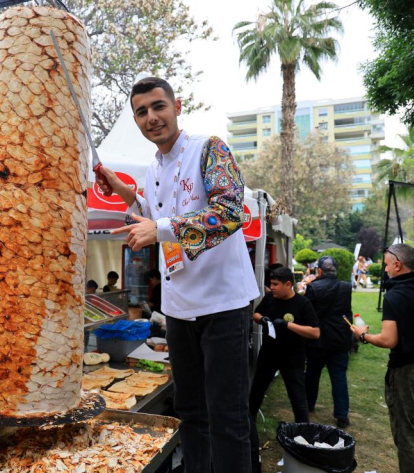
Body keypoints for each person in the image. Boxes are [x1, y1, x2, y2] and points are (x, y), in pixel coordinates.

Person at [96, 76, 259, 473]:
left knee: (227, 416)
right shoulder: (153, 167)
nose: (151, 117)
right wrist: (122, 190)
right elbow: (155, 214)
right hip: (179, 310)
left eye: (158, 106)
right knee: (190, 412)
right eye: (141, 112)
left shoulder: (209, 148)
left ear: (177, 106)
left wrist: (162, 229)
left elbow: (232, 212)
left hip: (223, 304)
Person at [351, 244, 414, 472]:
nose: (385, 269)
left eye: (387, 265)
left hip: (407, 372)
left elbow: (389, 340)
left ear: (397, 265)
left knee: (408, 432)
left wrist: (363, 335)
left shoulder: (395, 295)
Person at [249, 267, 320, 472]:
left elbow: (315, 332)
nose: (271, 288)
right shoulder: (270, 298)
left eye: (275, 284)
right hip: (268, 355)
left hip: (292, 358)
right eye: (271, 284)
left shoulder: (302, 303)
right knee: (256, 392)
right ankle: (248, 429)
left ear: (288, 284)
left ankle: (303, 438)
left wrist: (288, 326)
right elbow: (256, 313)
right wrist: (261, 319)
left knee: (297, 397)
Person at [304, 256, 353, 429]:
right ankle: (342, 416)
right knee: (339, 377)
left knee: (312, 373)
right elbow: (347, 312)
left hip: (317, 337)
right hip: (339, 337)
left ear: (320, 270)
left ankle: (308, 405)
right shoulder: (346, 287)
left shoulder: (313, 287)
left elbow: (307, 313)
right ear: (336, 270)